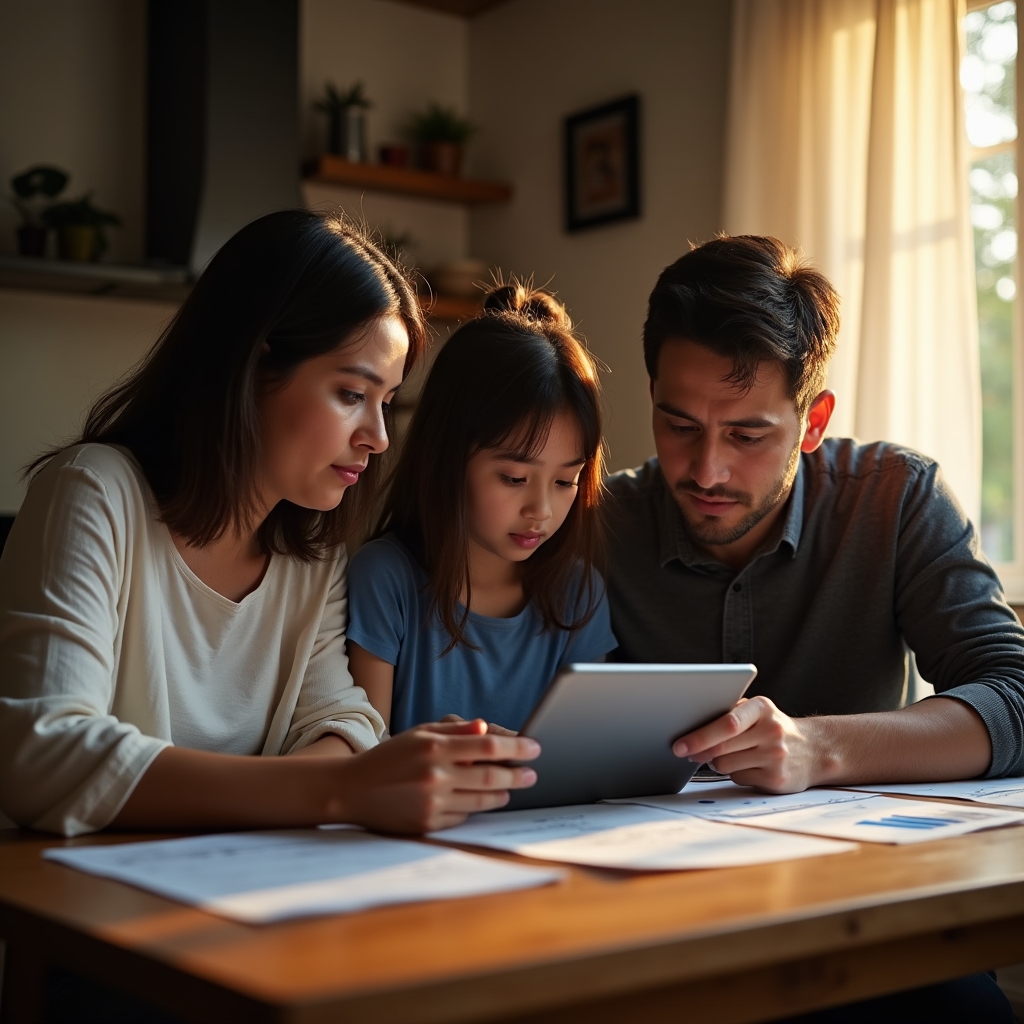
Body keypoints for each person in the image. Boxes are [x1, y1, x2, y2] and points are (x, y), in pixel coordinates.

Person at [0, 211, 539, 838]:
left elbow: (346, 724)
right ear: (253, 368)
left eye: (387, 403)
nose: (378, 438)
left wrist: (365, 774)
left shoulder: (311, 553)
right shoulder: (94, 494)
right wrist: (342, 789)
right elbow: (42, 754)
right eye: (350, 394)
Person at [605, 234, 1022, 1023]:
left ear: (812, 419)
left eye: (748, 435)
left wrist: (818, 748)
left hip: (870, 923)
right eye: (678, 424)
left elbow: (1017, 696)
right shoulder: (596, 522)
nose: (706, 471)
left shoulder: (895, 497)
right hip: (661, 924)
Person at [346, 283, 617, 735]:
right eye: (514, 478)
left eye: (565, 481)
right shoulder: (386, 579)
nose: (541, 510)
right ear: (448, 458)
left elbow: (589, 756)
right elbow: (366, 758)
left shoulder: (577, 593)